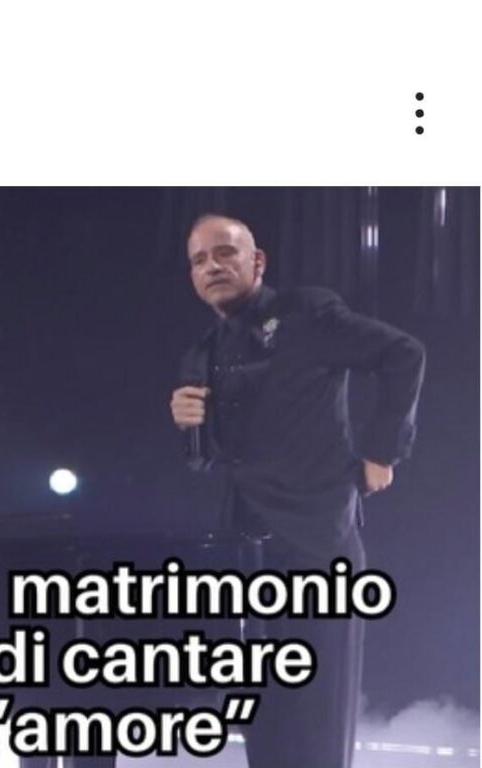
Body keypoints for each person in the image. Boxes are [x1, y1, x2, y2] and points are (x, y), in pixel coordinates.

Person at [170, 214, 425, 768]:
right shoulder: (203, 351)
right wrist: (189, 423)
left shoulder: (305, 314)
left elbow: (404, 353)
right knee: (263, 719)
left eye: (225, 253)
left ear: (256, 261)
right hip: (247, 555)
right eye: (199, 260)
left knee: (316, 721)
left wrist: (381, 451)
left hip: (317, 544)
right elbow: (207, 459)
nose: (212, 266)